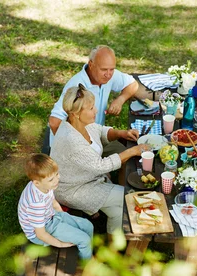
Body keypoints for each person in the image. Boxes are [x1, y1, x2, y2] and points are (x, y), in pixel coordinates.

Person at [50, 84, 148, 235]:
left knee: (119, 207)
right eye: (91, 108)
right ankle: (114, 246)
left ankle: (113, 243)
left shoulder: (79, 123)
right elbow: (101, 166)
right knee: (127, 198)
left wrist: (121, 133)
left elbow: (100, 131)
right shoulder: (71, 140)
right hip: (73, 188)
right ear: (75, 114)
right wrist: (132, 151)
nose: (96, 110)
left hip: (86, 176)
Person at [17, 153, 108, 276]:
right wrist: (58, 244)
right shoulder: (36, 203)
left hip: (52, 217)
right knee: (83, 238)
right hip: (43, 231)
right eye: (52, 179)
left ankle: (85, 255)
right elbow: (40, 233)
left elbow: (52, 201)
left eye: (57, 174)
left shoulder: (43, 186)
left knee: (87, 226)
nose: (57, 180)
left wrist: (61, 214)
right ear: (37, 183)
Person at [47, 45, 139, 152]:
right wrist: (78, 147)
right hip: (73, 148)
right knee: (127, 152)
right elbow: (54, 122)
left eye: (112, 69)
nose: (108, 75)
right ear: (91, 64)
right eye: (104, 69)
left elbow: (133, 84)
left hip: (96, 136)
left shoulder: (107, 75)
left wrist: (120, 100)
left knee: (128, 149)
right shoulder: (76, 86)